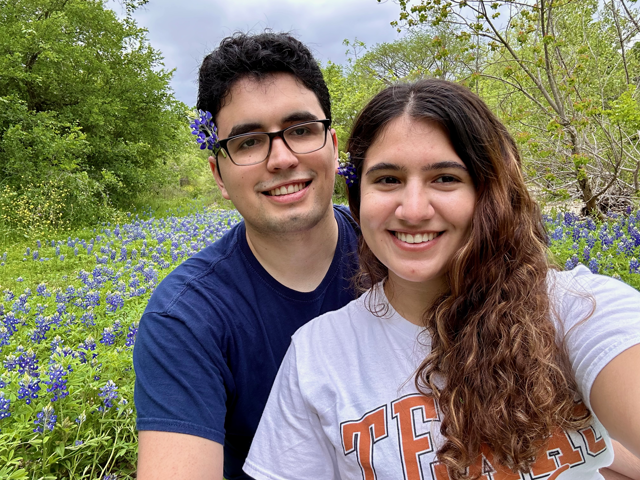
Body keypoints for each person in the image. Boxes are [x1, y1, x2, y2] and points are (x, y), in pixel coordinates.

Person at [244, 79, 640, 479]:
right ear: (358, 198)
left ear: (489, 193)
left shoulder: (579, 309)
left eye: (446, 178)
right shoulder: (319, 356)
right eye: (388, 180)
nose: (413, 210)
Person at [133, 32, 360, 480]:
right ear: (218, 173)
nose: (281, 159)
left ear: (333, 147)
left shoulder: (403, 254)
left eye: (300, 130)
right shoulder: (185, 318)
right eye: (249, 142)